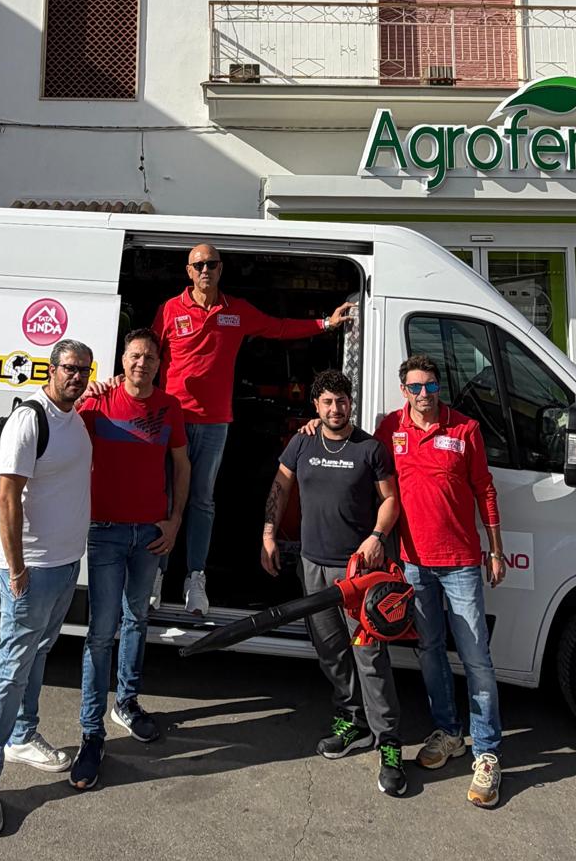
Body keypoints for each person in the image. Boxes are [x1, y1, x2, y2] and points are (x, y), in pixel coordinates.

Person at [153, 242, 354, 615]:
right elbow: (144, 358)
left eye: (212, 264)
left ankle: (195, 579)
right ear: (189, 271)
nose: (205, 270)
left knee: (202, 501)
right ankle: (156, 574)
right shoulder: (169, 310)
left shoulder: (236, 310)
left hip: (214, 423)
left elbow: (279, 328)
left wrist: (326, 324)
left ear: (221, 269)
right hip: (173, 421)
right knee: (164, 498)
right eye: (199, 265)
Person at [261, 369, 406, 797]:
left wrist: (377, 536)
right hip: (313, 566)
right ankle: (353, 721)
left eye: (341, 401)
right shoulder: (302, 442)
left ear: (350, 403)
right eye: (327, 402)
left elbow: (391, 499)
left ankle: (389, 742)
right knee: (330, 651)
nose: (335, 408)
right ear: (316, 406)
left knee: (370, 655)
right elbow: (280, 487)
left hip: (358, 573)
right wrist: (269, 534)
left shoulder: (370, 448)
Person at [0, 338, 94, 837]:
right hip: (32, 569)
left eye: (84, 370)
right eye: (69, 368)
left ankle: (23, 735)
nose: (77, 377)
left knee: (38, 652)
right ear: (51, 369)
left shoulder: (75, 418)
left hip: (64, 564)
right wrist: (17, 569)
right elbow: (7, 498)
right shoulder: (29, 419)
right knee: (11, 669)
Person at [374, 355, 506, 810]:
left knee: (477, 659)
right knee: (429, 651)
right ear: (403, 391)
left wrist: (495, 549)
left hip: (461, 563)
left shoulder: (465, 429)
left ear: (439, 388)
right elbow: (362, 460)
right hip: (414, 563)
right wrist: (314, 424)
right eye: (415, 387)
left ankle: (487, 752)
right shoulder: (390, 428)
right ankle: (449, 732)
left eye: (430, 386)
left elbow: (485, 489)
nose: (424, 395)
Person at [70, 327, 191, 791]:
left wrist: (174, 521)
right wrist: (85, 398)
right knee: (101, 633)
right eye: (135, 355)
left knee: (137, 618)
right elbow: (60, 435)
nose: (143, 362)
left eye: (151, 357)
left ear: (160, 364)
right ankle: (91, 734)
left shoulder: (169, 407)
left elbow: (182, 466)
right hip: (104, 532)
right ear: (123, 360)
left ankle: (127, 703)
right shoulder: (99, 402)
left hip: (149, 534)